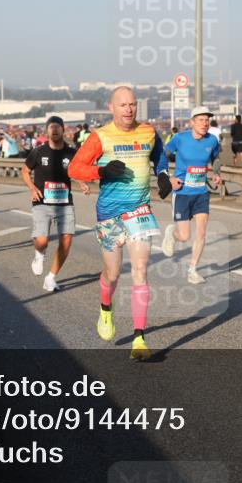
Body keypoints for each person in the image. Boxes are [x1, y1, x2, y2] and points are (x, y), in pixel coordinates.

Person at [67, 86, 170, 361]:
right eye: (123, 105)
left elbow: (159, 155)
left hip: (139, 210)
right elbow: (74, 168)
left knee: (140, 270)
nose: (129, 109)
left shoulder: (148, 132)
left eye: (133, 104)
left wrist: (162, 175)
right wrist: (100, 171)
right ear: (111, 108)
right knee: (112, 275)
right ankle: (105, 308)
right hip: (110, 214)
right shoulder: (99, 136)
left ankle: (139, 338)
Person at [22, 116, 88, 291]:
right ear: (47, 131)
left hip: (65, 203)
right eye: (51, 127)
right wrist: (31, 188)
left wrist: (81, 182)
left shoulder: (71, 153)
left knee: (66, 241)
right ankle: (39, 254)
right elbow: (25, 171)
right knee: (42, 241)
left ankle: (51, 277)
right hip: (42, 202)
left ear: (63, 130)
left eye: (58, 127)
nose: (55, 130)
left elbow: (77, 171)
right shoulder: (38, 152)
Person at [161, 106, 222, 285]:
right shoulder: (179, 139)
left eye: (207, 120)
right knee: (185, 235)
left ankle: (192, 270)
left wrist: (217, 172)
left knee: (201, 232)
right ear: (192, 122)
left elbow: (216, 158)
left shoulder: (212, 140)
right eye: (201, 120)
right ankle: (172, 233)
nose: (205, 123)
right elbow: (162, 156)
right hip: (182, 192)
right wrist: (168, 177)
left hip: (201, 192)